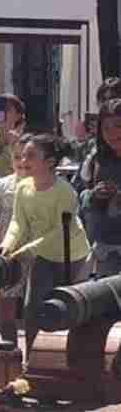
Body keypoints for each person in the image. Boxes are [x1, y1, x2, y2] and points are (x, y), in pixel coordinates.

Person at [0, 134, 89, 355]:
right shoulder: (23, 188)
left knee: (69, 311)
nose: (24, 160)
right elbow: (18, 223)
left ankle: (70, 360)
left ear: (49, 162)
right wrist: (6, 245)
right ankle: (34, 363)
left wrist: (24, 250)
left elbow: (59, 231)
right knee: (31, 310)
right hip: (43, 257)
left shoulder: (65, 191)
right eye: (23, 155)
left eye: (31, 156)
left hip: (73, 257)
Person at [0, 136, 31, 345]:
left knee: (32, 311)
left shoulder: (44, 186)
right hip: (6, 258)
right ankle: (8, 355)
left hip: (34, 257)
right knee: (5, 315)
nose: (21, 162)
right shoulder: (1, 186)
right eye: (17, 157)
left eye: (27, 157)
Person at [75, 97, 121, 277]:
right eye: (106, 128)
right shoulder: (95, 160)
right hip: (105, 250)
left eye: (118, 126)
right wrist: (93, 195)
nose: (112, 133)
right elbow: (80, 196)